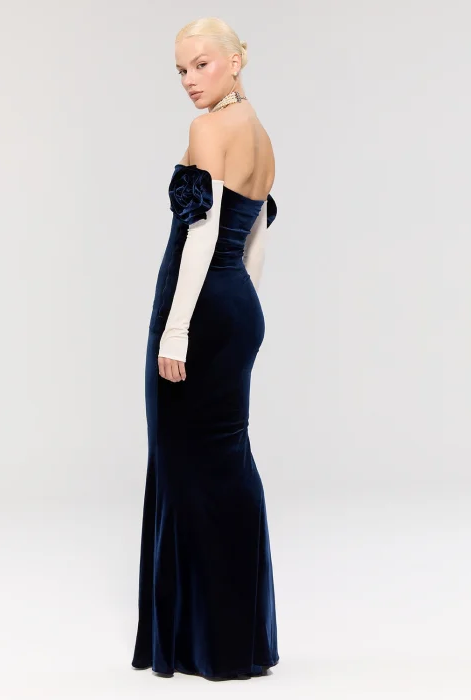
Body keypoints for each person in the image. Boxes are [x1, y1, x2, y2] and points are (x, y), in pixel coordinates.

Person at [131, 16, 279, 681]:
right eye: (181, 71)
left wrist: (178, 330)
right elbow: (256, 240)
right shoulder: (262, 136)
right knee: (226, 461)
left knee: (183, 463)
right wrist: (245, 314)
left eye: (202, 65)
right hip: (237, 308)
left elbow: (201, 236)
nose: (190, 81)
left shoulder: (208, 130)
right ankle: (236, 637)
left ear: (236, 60)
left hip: (197, 311)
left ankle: (198, 640)